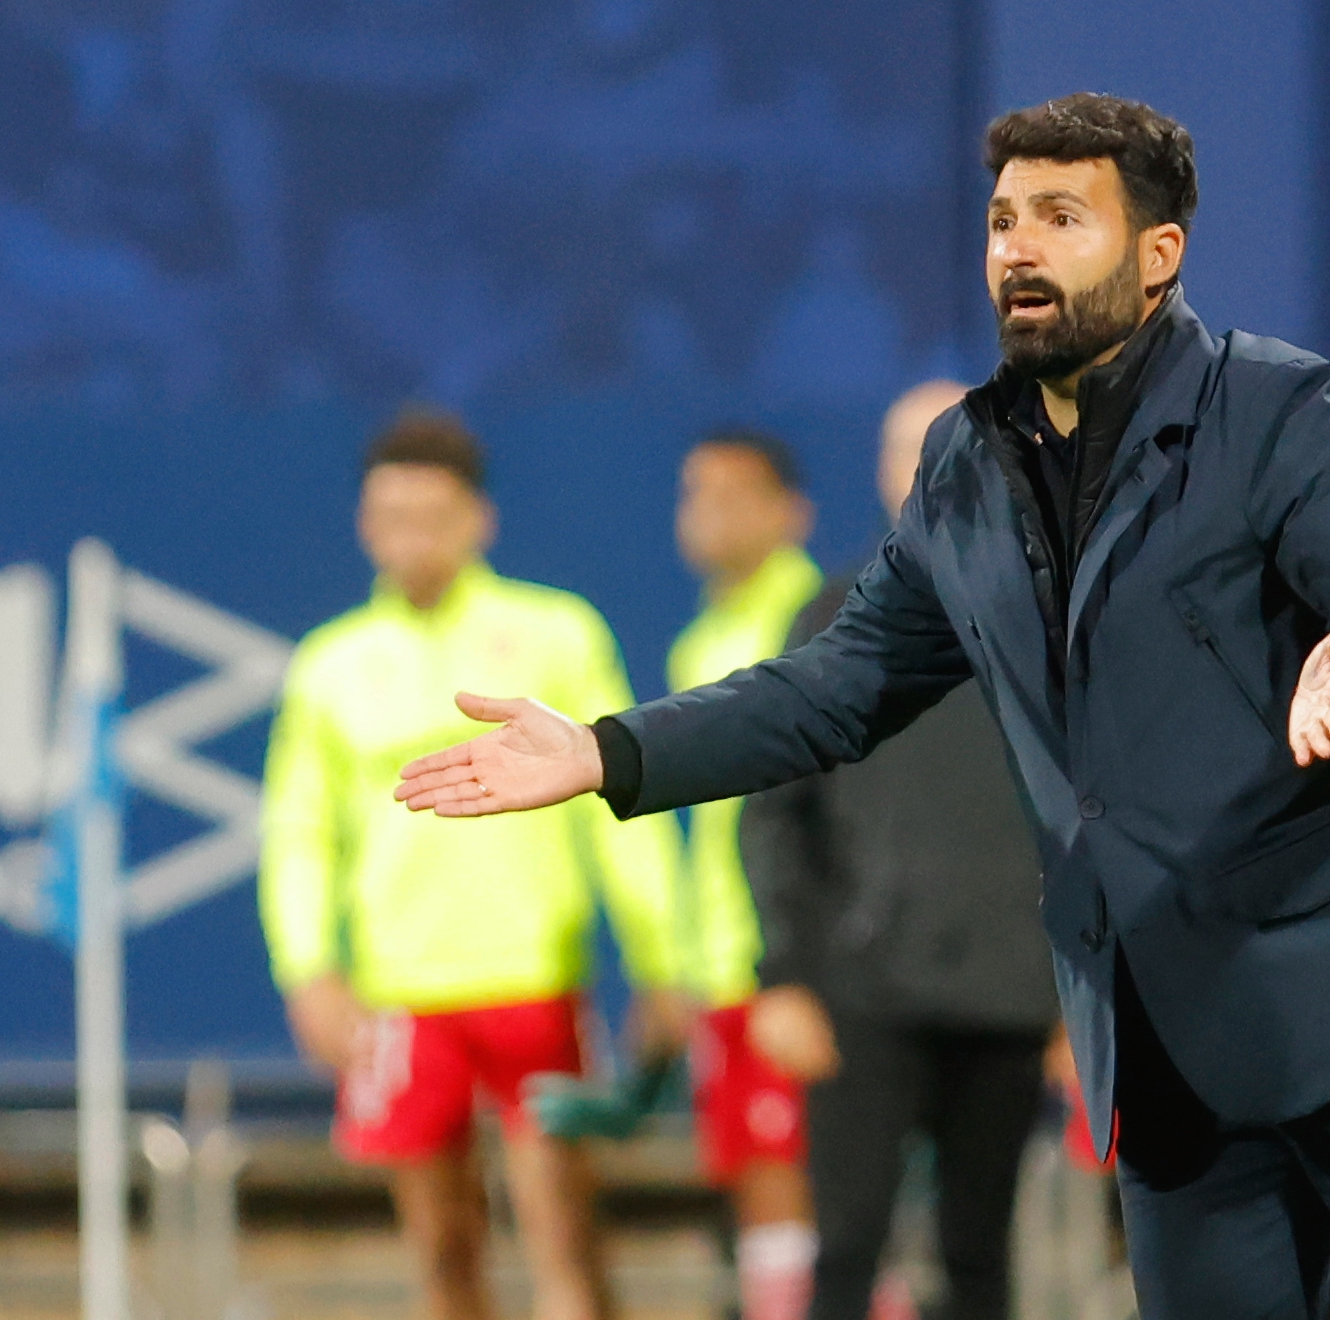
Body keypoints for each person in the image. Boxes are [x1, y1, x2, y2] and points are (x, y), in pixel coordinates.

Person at [393, 93, 1330, 1319]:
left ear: (1159, 255)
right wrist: (607, 750)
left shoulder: (1280, 409)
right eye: (1005, 219)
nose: (1019, 247)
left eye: (1063, 217)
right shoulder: (966, 465)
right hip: (1170, 1039)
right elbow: (840, 686)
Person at [258, 410, 690, 1320]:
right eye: (392, 515)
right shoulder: (330, 666)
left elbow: (624, 805)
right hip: (403, 995)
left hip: (531, 981)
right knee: (443, 1249)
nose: (411, 535)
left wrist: (660, 956)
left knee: (562, 1233)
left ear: (476, 521)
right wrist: (308, 971)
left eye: (432, 513)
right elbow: (298, 833)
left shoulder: (555, 635)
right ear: (365, 525)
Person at [738, 379, 1061, 1320]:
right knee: (845, 1251)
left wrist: (1085, 997)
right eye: (904, 451)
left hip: (1010, 998)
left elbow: (1104, 822)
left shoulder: (1059, 628)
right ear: (882, 473)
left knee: (978, 1259)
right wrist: (787, 974)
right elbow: (774, 815)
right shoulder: (829, 622)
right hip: (860, 999)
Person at [663, 431, 826, 1320]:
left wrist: (796, 963)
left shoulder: (827, 618)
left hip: (795, 966)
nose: (710, 514)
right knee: (761, 1195)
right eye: (696, 494)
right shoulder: (699, 643)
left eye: (736, 494)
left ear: (789, 512)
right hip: (722, 966)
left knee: (803, 1195)